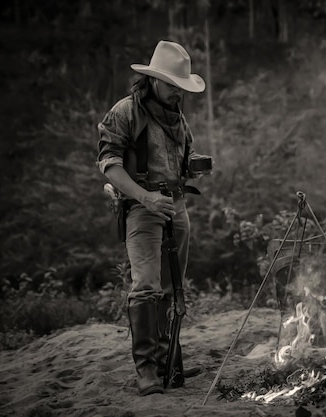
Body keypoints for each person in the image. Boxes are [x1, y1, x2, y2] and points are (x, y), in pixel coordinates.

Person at [96, 40, 207, 396]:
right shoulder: (126, 112)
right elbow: (109, 164)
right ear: (155, 81)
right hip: (143, 209)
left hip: (177, 207)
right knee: (146, 287)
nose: (178, 92)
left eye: (181, 87)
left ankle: (167, 361)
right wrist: (144, 196)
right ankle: (146, 370)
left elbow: (178, 160)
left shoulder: (178, 117)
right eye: (173, 85)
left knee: (174, 289)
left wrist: (192, 167)